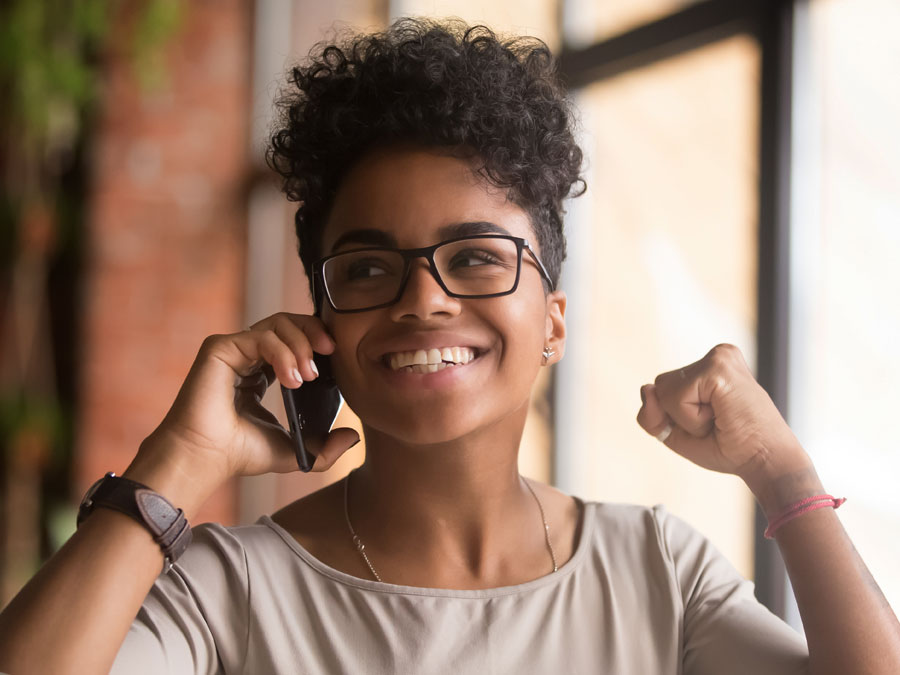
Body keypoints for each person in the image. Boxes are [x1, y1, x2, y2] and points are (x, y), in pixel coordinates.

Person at [1, 17, 899, 675]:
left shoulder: (656, 569)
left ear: (552, 320)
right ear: (323, 325)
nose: (423, 300)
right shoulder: (232, 589)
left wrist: (782, 472)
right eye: (366, 268)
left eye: (475, 257)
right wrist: (180, 460)